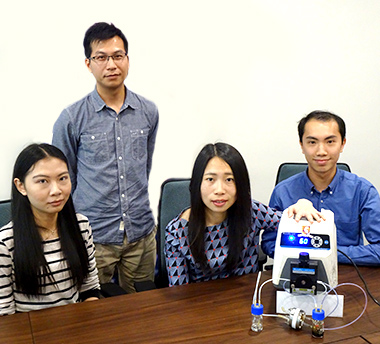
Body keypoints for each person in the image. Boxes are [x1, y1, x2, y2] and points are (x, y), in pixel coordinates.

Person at [52, 22, 159, 293]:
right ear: (89, 64)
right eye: (101, 57)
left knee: (141, 313)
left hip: (141, 234)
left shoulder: (148, 111)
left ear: (127, 59)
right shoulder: (72, 118)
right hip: (93, 237)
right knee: (92, 313)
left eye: (118, 55)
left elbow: (143, 168)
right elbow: (65, 179)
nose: (111, 64)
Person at [165, 142, 322, 286]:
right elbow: (179, 293)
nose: (220, 190)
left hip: (246, 302)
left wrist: (304, 203)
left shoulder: (251, 212)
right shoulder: (177, 232)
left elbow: (290, 222)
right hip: (200, 307)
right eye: (210, 179)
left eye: (229, 180)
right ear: (197, 183)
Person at [261, 110, 380, 265]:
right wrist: (306, 253)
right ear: (301, 145)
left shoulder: (362, 191)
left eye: (330, 142)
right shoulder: (283, 191)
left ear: (342, 144)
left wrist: (327, 253)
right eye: (312, 142)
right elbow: (269, 243)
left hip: (348, 276)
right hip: (294, 272)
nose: (321, 151)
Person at [0, 143, 100, 316]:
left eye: (62, 178)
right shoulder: (6, 243)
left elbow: (89, 288)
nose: (56, 190)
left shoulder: (81, 226)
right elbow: (5, 314)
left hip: (77, 325)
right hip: (30, 332)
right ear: (21, 186)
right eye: (43, 181)